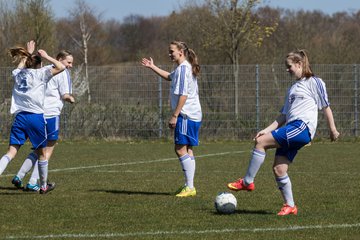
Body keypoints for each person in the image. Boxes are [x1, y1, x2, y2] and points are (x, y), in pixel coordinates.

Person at [227, 49, 340, 215]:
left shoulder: (315, 82)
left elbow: (326, 107)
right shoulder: (293, 88)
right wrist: (264, 130)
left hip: (301, 128)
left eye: (289, 66)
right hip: (290, 128)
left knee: (260, 143)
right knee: (279, 169)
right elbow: (283, 116)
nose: (287, 70)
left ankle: (247, 182)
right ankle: (290, 206)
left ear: (299, 64)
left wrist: (333, 129)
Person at [0, 40, 65, 194]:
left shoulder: (18, 74)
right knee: (42, 154)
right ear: (40, 65)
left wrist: (28, 53)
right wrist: (47, 56)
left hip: (20, 117)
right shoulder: (41, 74)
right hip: (35, 118)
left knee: (11, 152)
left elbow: (21, 66)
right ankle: (43, 186)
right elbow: (61, 67)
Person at [141, 41, 202, 197]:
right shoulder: (183, 68)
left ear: (181, 51)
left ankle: (190, 187)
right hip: (194, 114)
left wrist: (175, 116)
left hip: (186, 115)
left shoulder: (183, 69)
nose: (169, 54)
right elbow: (169, 77)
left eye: (171, 51)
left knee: (180, 149)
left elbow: (184, 95)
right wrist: (152, 66)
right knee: (188, 149)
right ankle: (190, 187)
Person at [11, 49, 75, 192]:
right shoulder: (62, 73)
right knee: (46, 151)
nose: (70, 65)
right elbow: (64, 94)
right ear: (59, 59)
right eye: (68, 62)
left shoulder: (43, 69)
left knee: (38, 149)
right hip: (51, 114)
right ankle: (33, 182)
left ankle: (19, 176)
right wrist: (70, 98)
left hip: (37, 113)